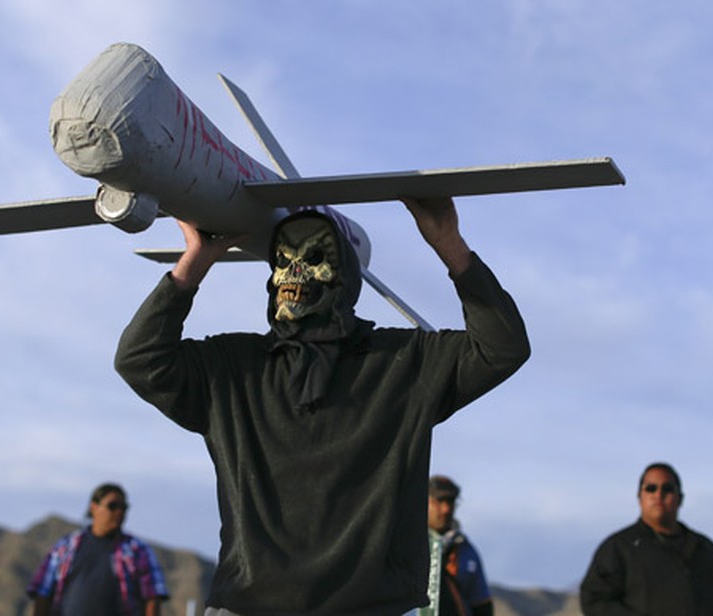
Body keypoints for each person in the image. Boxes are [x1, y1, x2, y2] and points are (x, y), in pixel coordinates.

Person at [115, 197, 530, 615]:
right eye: (282, 259)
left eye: (313, 257)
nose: (292, 272)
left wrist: (449, 245)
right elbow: (139, 360)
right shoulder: (232, 368)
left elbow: (502, 347)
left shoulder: (402, 363)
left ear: (344, 277)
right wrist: (195, 262)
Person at [580, 462, 713, 616]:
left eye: (667, 488)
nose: (658, 494)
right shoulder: (618, 548)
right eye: (651, 488)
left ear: (680, 498)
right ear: (640, 497)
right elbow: (595, 602)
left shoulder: (704, 548)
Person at [27, 483, 169, 616]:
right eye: (112, 506)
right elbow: (43, 593)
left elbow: (152, 598)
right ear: (94, 507)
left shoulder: (138, 551)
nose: (119, 512)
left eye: (124, 507)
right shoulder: (65, 547)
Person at [415, 475, 493, 616]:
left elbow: (482, 605)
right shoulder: (404, 545)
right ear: (424, 501)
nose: (446, 509)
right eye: (439, 501)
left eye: (451, 502)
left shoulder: (466, 550)